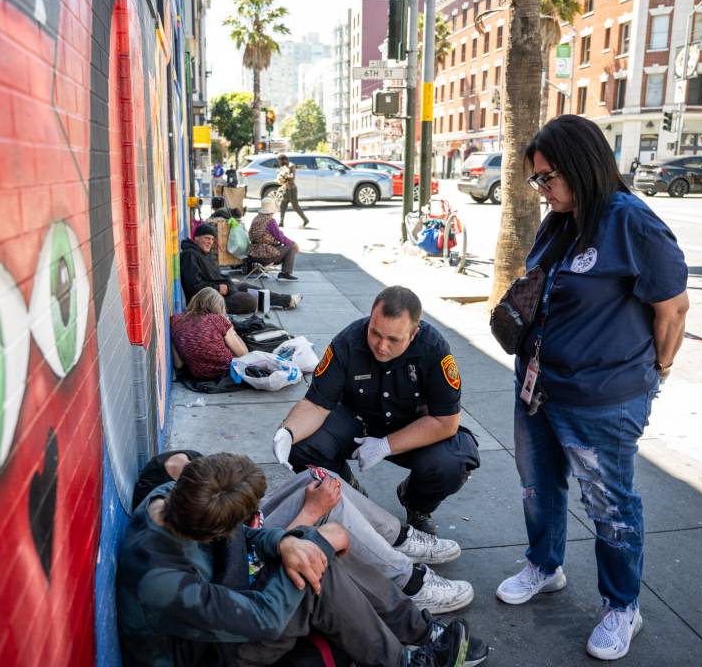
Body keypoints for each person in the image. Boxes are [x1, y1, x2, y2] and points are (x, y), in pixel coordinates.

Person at [495, 114, 689, 661]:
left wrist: (657, 374)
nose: (542, 190)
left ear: (580, 166)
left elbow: (672, 310)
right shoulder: (559, 219)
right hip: (537, 386)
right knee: (539, 485)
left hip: (602, 398)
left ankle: (623, 605)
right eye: (535, 181)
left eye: (547, 178)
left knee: (610, 504)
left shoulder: (632, 223)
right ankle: (544, 563)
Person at [116, 453, 490, 667]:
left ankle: (419, 630)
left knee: (308, 553)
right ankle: (404, 661)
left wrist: (283, 543)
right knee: (314, 575)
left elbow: (245, 535)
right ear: (212, 532)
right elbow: (264, 620)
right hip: (208, 655)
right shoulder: (161, 577)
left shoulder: (174, 498)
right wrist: (313, 541)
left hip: (222, 600)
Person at [132, 450, 476, 616]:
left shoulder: (167, 498)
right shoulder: (182, 568)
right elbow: (250, 573)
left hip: (243, 554)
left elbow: (247, 537)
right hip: (252, 586)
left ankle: (400, 540)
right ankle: (409, 582)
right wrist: (309, 515)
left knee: (322, 477)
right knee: (328, 507)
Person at [272, 286, 480, 536]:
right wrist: (287, 432)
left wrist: (386, 445)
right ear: (370, 319)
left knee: (452, 462)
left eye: (394, 339)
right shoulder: (347, 342)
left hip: (413, 429)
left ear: (413, 334)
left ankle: (416, 503)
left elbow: (446, 421)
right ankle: (347, 493)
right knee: (302, 445)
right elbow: (316, 404)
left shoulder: (434, 350)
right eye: (375, 333)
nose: (381, 346)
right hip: (358, 422)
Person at [179, 223, 301, 314]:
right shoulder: (190, 255)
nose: (210, 242)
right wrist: (217, 288)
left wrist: (226, 282)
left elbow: (213, 274)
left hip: (221, 290)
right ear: (196, 238)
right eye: (206, 238)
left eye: (212, 239)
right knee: (249, 301)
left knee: (246, 286)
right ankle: (276, 301)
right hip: (207, 300)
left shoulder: (202, 253)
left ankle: (286, 300)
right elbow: (193, 287)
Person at [170, 288, 247, 380]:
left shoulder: (176, 321)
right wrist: (233, 331)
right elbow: (243, 354)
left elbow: (178, 364)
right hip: (227, 371)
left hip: (198, 374)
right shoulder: (218, 320)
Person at [249, 197, 300, 281]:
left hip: (254, 254)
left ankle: (264, 269)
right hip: (266, 256)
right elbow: (281, 238)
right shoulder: (270, 221)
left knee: (280, 247)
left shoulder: (256, 219)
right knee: (291, 248)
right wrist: (294, 243)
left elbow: (251, 236)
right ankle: (285, 274)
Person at [276, 153, 310, 228]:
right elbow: (282, 175)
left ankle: (305, 220)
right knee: (283, 204)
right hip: (285, 188)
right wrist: (280, 178)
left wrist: (283, 178)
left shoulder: (291, 166)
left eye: (280, 161)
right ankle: (281, 221)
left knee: (295, 206)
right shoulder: (283, 167)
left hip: (291, 189)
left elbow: (291, 178)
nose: (279, 163)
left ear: (284, 160)